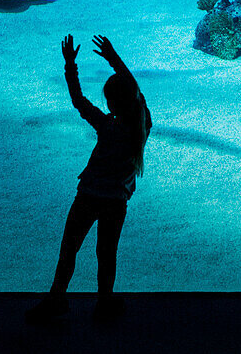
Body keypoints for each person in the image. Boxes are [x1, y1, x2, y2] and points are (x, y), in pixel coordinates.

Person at [27, 34, 152, 324]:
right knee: (106, 254)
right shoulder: (142, 127)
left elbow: (77, 100)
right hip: (116, 202)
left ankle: (56, 298)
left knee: (69, 249)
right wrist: (113, 58)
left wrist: (70, 65)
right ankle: (104, 302)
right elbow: (136, 91)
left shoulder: (106, 125)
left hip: (88, 197)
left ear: (109, 102)